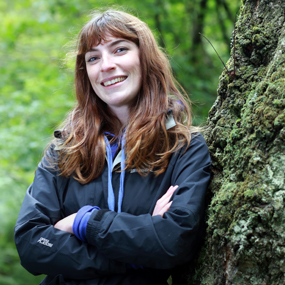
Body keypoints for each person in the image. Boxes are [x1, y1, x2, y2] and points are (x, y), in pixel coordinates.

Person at [14, 9, 211, 285]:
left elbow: (173, 241)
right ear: (87, 74)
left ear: (145, 58)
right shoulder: (64, 150)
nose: (105, 65)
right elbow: (32, 244)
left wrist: (83, 222)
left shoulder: (184, 148)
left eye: (119, 50)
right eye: (93, 58)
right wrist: (137, 253)